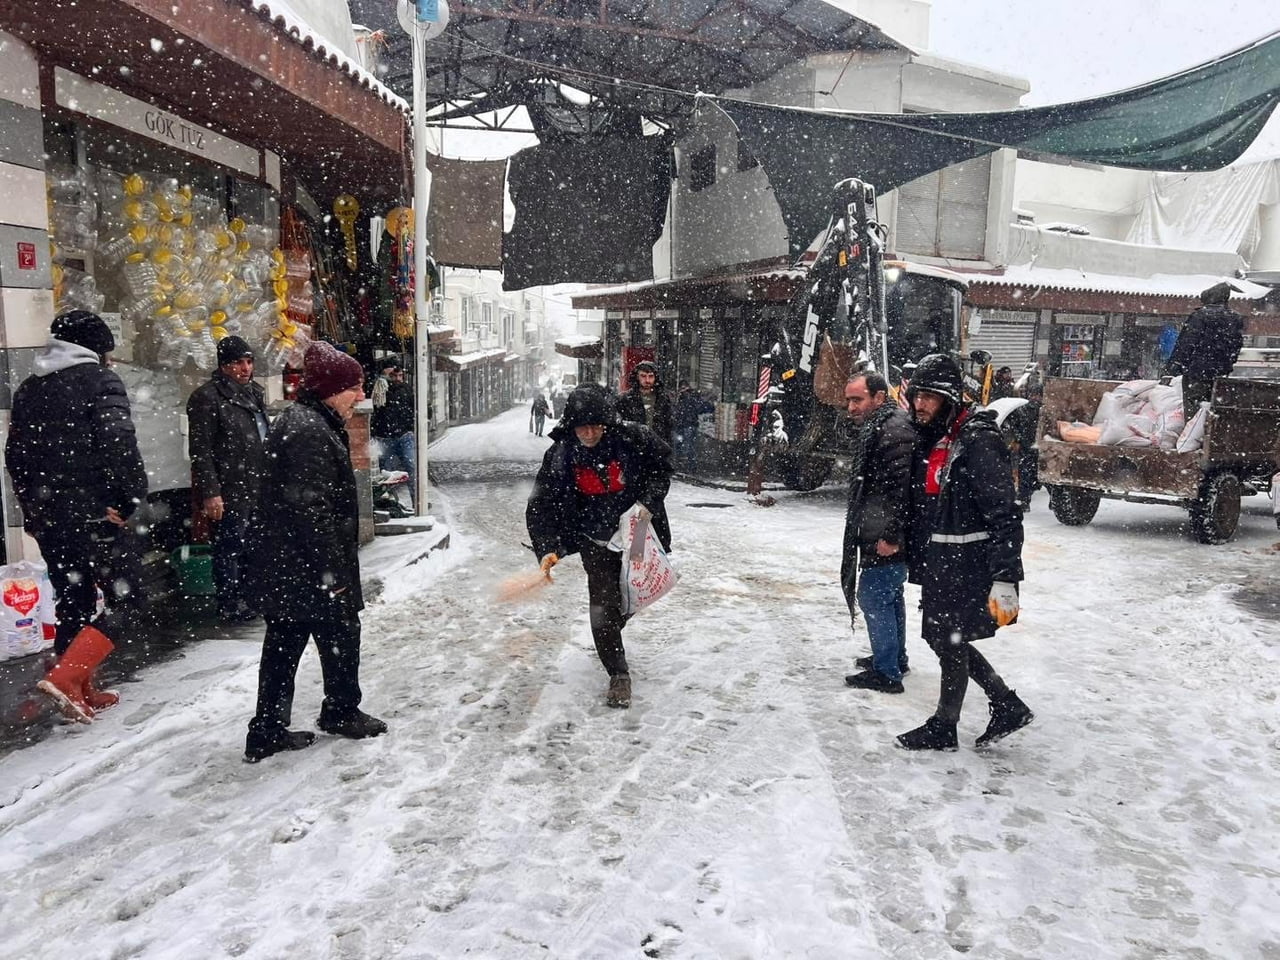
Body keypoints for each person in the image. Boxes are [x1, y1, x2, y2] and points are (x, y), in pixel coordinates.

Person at [244, 341, 387, 762]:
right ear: (330, 389)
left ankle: (272, 728)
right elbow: (309, 508)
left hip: (290, 563)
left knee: (290, 643)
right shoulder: (308, 429)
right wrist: (332, 572)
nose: (360, 396)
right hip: (304, 565)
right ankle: (335, 713)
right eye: (353, 387)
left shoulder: (307, 420)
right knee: (335, 633)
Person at [5, 310, 148, 722]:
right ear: (95, 350)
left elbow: (15, 457)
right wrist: (128, 500)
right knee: (130, 600)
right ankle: (67, 677)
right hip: (97, 516)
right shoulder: (100, 381)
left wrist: (34, 511)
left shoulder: (30, 388)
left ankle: (80, 691)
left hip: (52, 517)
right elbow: (119, 444)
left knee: (74, 600)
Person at [897, 353, 1034, 751]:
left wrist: (1006, 576)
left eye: (929, 396)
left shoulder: (977, 440)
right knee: (942, 638)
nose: (919, 404)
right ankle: (1005, 703)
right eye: (916, 395)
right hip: (941, 561)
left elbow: (1004, 511)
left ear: (950, 398)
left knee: (949, 640)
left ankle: (946, 724)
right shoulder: (938, 435)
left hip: (967, 562)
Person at [526, 383, 673, 709]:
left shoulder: (633, 439)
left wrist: (647, 504)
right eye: (582, 427)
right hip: (593, 539)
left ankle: (613, 624)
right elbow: (541, 505)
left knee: (633, 592)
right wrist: (547, 547)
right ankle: (618, 673)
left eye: (596, 426)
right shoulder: (561, 455)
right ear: (571, 426)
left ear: (607, 423)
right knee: (602, 604)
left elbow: (661, 469)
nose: (589, 433)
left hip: (636, 532)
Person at [840, 372, 916, 694]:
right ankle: (894, 658)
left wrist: (893, 535)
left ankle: (887, 673)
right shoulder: (883, 425)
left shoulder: (893, 429)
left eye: (857, 400)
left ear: (879, 397)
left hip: (885, 532)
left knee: (873, 595)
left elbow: (903, 489)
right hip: (879, 527)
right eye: (848, 400)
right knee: (889, 594)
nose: (851, 407)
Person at [186, 335, 268, 621]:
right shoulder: (207, 398)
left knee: (254, 545)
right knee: (230, 546)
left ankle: (250, 597)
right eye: (238, 363)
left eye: (249, 361)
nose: (245, 368)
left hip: (256, 482)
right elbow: (201, 450)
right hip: (230, 485)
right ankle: (230, 603)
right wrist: (211, 492)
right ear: (223, 366)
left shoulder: (255, 392)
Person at [1164, 282, 1244, 422]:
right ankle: (1210, 430)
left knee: (1194, 404)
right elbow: (1236, 344)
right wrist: (1228, 363)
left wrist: (1174, 365)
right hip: (1221, 371)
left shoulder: (1200, 316)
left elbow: (1186, 343)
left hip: (1197, 371)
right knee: (1215, 405)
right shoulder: (1235, 318)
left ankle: (1193, 430)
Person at [616, 361, 675, 550]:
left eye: (650, 376)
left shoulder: (663, 400)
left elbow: (668, 427)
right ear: (637, 377)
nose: (647, 380)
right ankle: (635, 547)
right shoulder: (625, 400)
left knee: (652, 501)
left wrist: (666, 451)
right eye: (643, 376)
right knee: (636, 502)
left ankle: (648, 547)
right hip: (633, 456)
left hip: (656, 456)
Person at [370, 357, 416, 510]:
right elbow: (374, 407)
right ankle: (388, 503)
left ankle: (417, 500)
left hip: (404, 435)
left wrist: (411, 426)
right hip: (384, 436)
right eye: (393, 375)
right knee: (386, 473)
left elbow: (414, 407)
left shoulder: (406, 389)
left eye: (400, 375)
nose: (397, 378)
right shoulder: (378, 387)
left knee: (412, 467)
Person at [673, 380, 713, 472]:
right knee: (681, 446)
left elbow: (701, 407)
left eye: (684, 388)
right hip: (682, 424)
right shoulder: (681, 398)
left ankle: (690, 466)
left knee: (689, 446)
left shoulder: (691, 397)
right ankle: (683, 465)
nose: (682, 390)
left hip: (689, 424)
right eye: (681, 388)